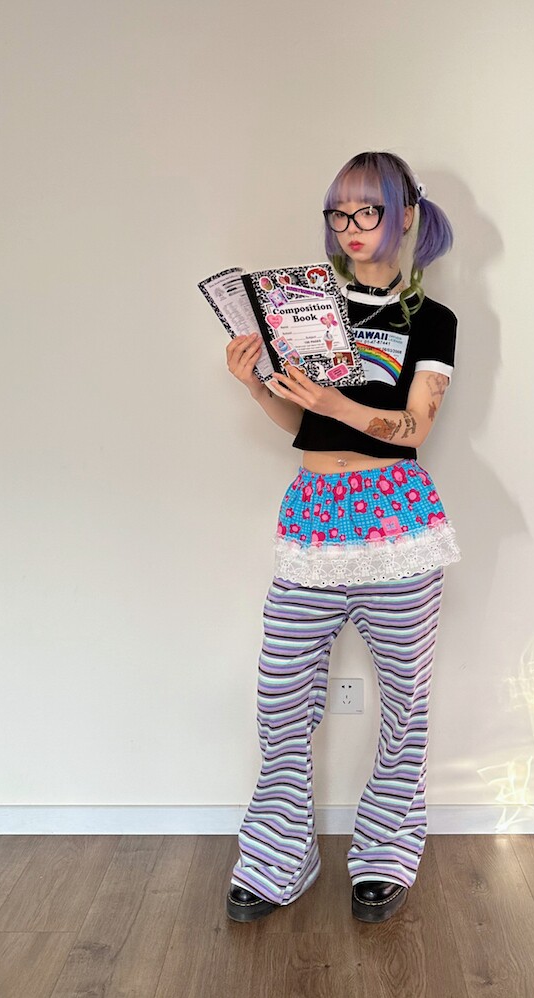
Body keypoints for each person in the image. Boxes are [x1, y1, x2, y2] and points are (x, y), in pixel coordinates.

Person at [224, 151, 460, 923]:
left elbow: (414, 427)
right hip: (313, 515)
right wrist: (257, 386)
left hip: (397, 518)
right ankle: (278, 858)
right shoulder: (305, 309)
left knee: (406, 702)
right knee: (279, 696)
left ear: (405, 216)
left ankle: (386, 854)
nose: (350, 226)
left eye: (367, 210)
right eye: (338, 212)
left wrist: (339, 400)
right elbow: (300, 423)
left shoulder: (431, 320)